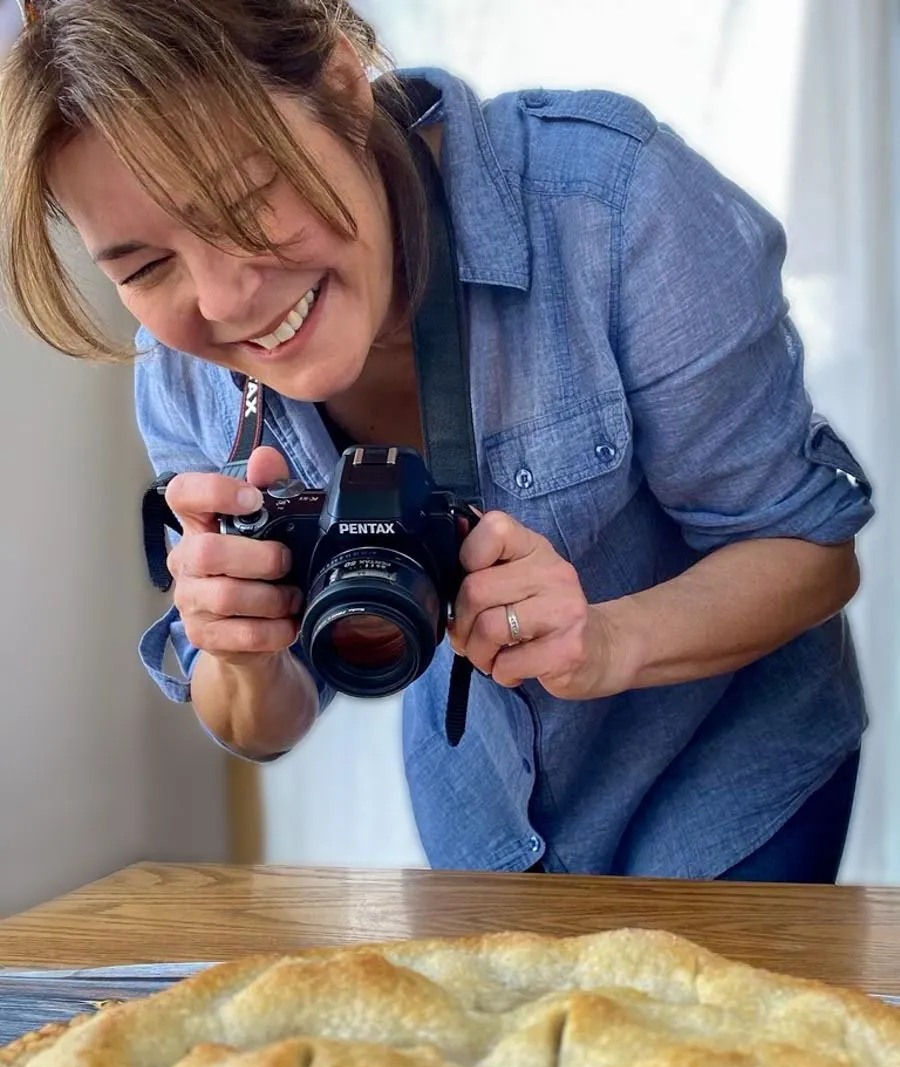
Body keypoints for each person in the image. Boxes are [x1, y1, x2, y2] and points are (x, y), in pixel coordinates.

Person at [0, 0, 875, 882]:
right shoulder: (185, 374)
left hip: (732, 783)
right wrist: (239, 652)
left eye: (244, 199)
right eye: (146, 267)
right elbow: (266, 722)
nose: (223, 300)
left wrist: (606, 641)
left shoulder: (611, 206)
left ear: (343, 88)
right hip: (484, 827)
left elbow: (810, 551)